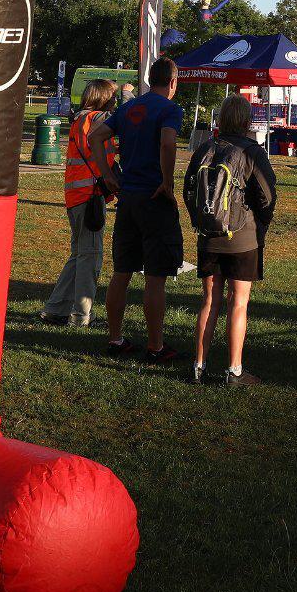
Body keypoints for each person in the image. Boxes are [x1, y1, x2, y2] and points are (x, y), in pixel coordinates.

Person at [94, 57, 185, 363]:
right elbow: (168, 143)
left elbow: (96, 136)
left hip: (127, 198)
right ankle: (156, 346)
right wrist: (168, 182)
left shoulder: (129, 107)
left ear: (150, 78)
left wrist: (107, 173)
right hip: (154, 198)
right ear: (172, 82)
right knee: (155, 275)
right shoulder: (171, 109)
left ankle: (115, 339)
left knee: (121, 272)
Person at [185, 95, 277, 385]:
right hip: (242, 238)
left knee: (209, 302)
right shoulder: (252, 151)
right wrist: (260, 223)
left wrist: (200, 220)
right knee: (238, 303)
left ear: (221, 119)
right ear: (247, 121)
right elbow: (268, 194)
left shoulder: (204, 148)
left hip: (209, 237)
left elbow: (189, 191)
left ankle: (198, 366)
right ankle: (234, 370)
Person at [39, 78, 117, 326]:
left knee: (79, 254)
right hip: (89, 196)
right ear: (104, 98)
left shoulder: (80, 119)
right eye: (113, 96)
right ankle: (82, 315)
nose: (115, 100)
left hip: (77, 196)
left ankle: (56, 308)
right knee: (90, 256)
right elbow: (123, 121)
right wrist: (128, 97)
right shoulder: (96, 118)